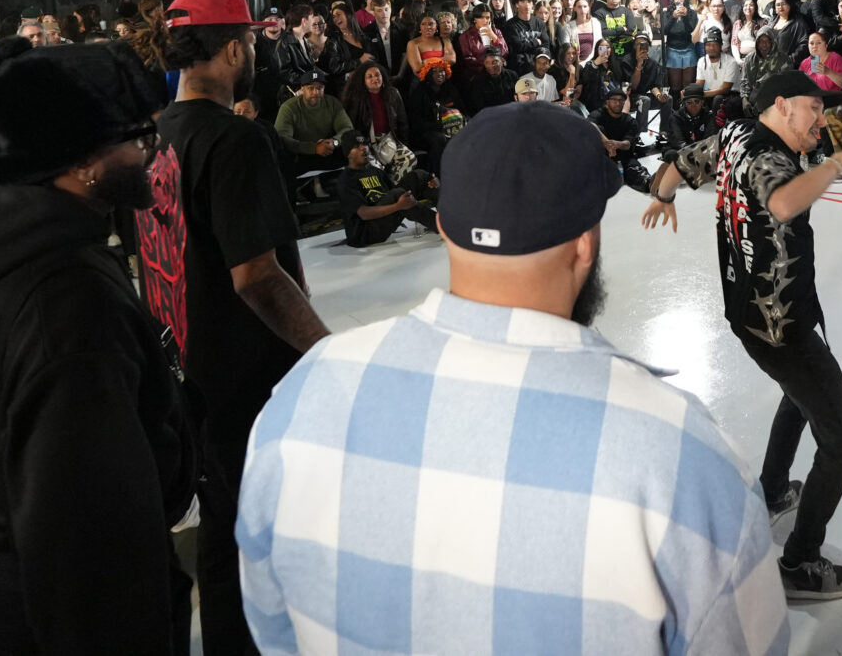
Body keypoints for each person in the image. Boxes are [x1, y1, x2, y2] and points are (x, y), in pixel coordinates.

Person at [241, 104, 789, 655]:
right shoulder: (682, 456)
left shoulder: (303, 399)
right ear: (586, 242)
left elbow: (274, 632)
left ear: (443, 226)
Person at [0, 39, 198, 656]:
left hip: (16, 576)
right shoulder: (66, 303)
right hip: (75, 596)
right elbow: (85, 529)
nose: (148, 153)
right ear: (83, 158)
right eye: (137, 138)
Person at [642, 73, 842, 600]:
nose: (821, 119)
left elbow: (683, 162)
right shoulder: (766, 155)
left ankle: (772, 491)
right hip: (780, 326)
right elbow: (781, 202)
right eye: (812, 108)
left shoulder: (735, 133)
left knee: (798, 398)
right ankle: (799, 563)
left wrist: (661, 195)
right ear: (780, 105)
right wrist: (836, 164)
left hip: (750, 313)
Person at [138, 0, 331, 656]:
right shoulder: (234, 140)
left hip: (186, 364)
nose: (253, 50)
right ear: (229, 50)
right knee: (258, 531)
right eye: (248, 39)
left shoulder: (155, 136)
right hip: (245, 374)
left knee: (224, 529)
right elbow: (257, 276)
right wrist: (326, 352)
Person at [329, 129, 437, 247]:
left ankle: (447, 214)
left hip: (383, 220)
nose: (363, 148)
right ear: (348, 153)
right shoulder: (346, 180)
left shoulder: (375, 171)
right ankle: (442, 225)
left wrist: (431, 181)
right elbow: (363, 213)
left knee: (420, 176)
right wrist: (398, 206)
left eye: (364, 144)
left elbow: (393, 193)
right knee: (399, 194)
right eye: (356, 146)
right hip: (365, 233)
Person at [272, 67, 354, 162]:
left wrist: (334, 142)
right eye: (310, 88)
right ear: (302, 89)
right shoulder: (288, 108)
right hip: (300, 156)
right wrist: (314, 148)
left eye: (319, 88)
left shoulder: (332, 103)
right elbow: (282, 139)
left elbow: (348, 128)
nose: (315, 92)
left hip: (329, 151)